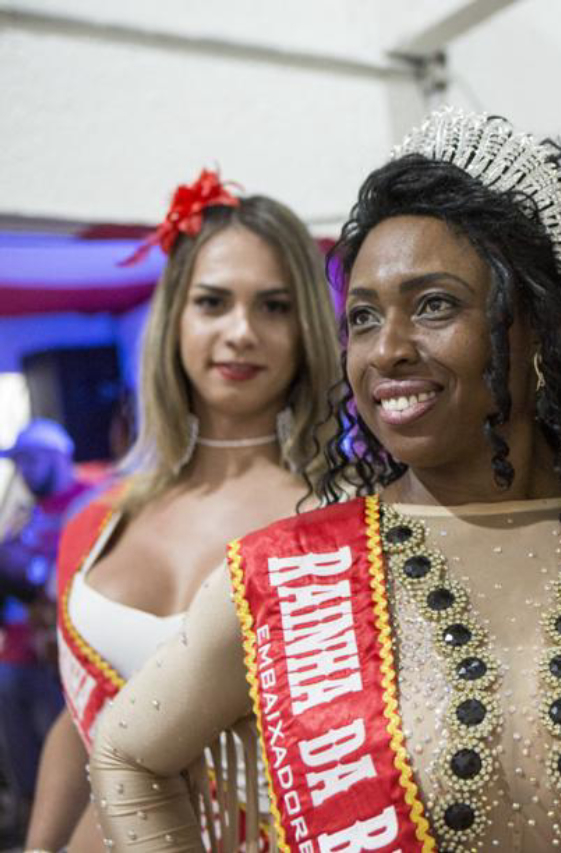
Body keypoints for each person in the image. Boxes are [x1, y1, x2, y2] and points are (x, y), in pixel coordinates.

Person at [86, 108, 561, 852]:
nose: (387, 350)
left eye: (434, 305)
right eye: (361, 318)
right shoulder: (286, 577)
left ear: (539, 324)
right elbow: (127, 754)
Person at [23, 169, 342, 853]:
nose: (241, 331)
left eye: (275, 306)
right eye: (213, 301)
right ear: (176, 318)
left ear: (308, 325)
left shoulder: (339, 522)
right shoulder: (97, 519)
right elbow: (76, 723)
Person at [0, 419, 98, 841]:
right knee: (24, 761)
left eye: (31, 459)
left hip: (63, 657)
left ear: (58, 456)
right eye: (18, 461)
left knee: (70, 764)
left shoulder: (91, 503)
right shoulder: (27, 513)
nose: (23, 470)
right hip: (17, 656)